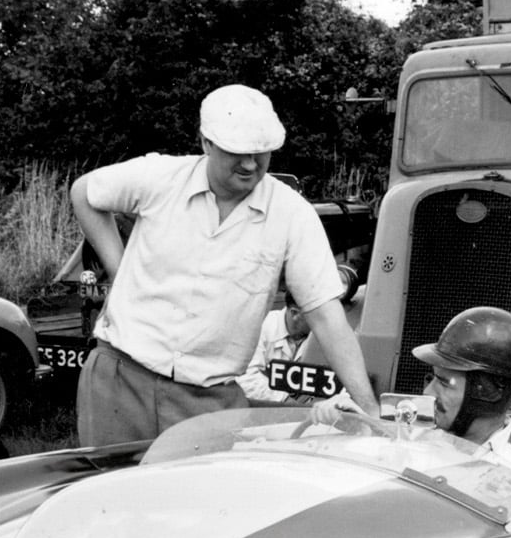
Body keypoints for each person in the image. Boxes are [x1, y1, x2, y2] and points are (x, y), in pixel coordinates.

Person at [69, 83, 377, 445]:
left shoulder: (292, 214)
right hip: (119, 380)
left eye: (261, 153)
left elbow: (326, 315)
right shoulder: (161, 177)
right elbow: (85, 193)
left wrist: (369, 408)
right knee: (108, 497)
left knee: (205, 500)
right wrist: (119, 271)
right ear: (206, 143)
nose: (250, 164)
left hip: (208, 401)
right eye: (236, 152)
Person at [316, 306, 511, 470]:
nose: (428, 393)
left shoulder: (504, 476)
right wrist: (358, 427)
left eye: (444, 383)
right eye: (432, 378)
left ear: (487, 391)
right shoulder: (421, 432)